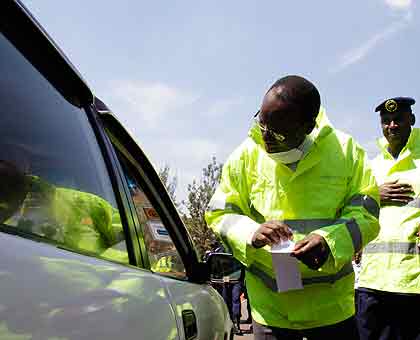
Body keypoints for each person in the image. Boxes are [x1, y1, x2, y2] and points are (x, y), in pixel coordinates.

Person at [205, 75, 380, 339]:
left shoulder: (346, 153)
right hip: (271, 315)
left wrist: (329, 240)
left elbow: (367, 213)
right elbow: (220, 212)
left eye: (276, 132)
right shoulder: (247, 154)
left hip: (332, 314)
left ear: (307, 127)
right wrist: (250, 232)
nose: (265, 137)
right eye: (261, 122)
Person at [356, 97, 420, 340]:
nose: (392, 125)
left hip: (413, 282)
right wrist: (374, 195)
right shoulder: (371, 166)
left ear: (411, 120)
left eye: (398, 119)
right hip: (373, 280)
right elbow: (353, 208)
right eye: (386, 121)